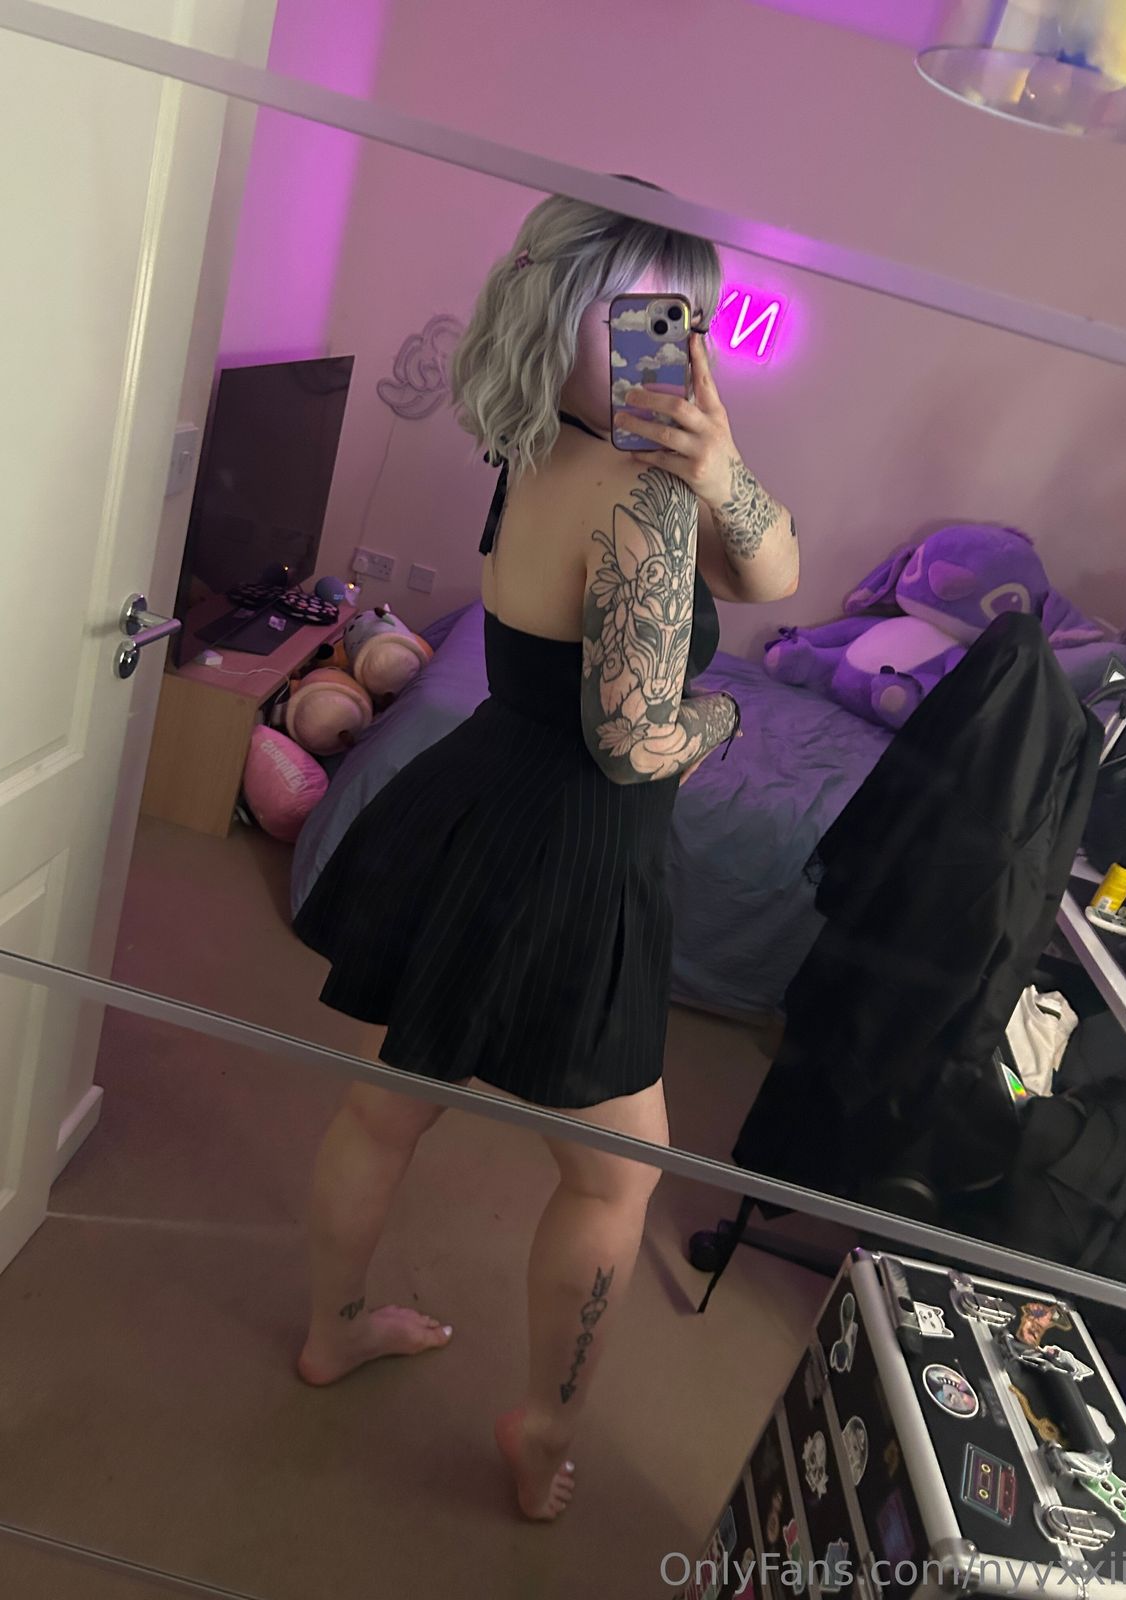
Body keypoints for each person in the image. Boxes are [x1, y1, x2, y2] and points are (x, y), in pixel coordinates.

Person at [291, 181, 799, 1520]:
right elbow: (637, 744)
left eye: (687, 321)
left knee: (383, 1106)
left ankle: (331, 1330)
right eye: (647, 316)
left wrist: (718, 463)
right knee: (617, 1179)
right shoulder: (642, 503)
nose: (676, 347)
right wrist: (723, 714)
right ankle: (545, 1428)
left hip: (470, 801)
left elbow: (774, 573)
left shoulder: (529, 441)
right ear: (575, 314)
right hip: (573, 846)